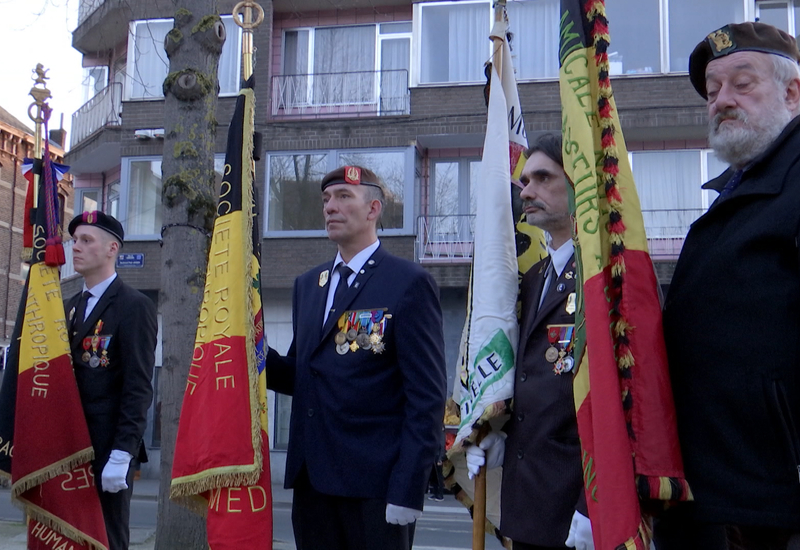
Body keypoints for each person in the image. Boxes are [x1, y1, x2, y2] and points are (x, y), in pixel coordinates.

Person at [657, 22, 800, 549]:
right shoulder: (736, 191)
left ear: (791, 92)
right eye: (713, 91)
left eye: (742, 83)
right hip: (714, 495)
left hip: (771, 505)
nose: (722, 101)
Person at [266, 165, 447, 550]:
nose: (331, 206)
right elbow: (303, 374)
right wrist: (254, 355)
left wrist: (409, 486)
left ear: (373, 209)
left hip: (375, 486)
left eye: (344, 197)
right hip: (313, 482)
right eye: (326, 199)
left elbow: (426, 396)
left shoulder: (407, 283)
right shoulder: (308, 286)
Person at [465, 133, 592, 550]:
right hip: (527, 501)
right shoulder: (535, 278)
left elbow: (627, 400)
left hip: (576, 500)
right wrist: (498, 433)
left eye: (542, 178)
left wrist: (592, 505)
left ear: (578, 184)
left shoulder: (603, 275)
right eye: (524, 181)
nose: (527, 191)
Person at [66, 211, 157, 550]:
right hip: (69, 447)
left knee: (106, 538)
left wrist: (123, 452)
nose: (76, 247)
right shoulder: (69, 307)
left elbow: (138, 386)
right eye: (74, 240)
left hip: (108, 449)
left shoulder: (133, 306)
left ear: (111, 249)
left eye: (86, 240)